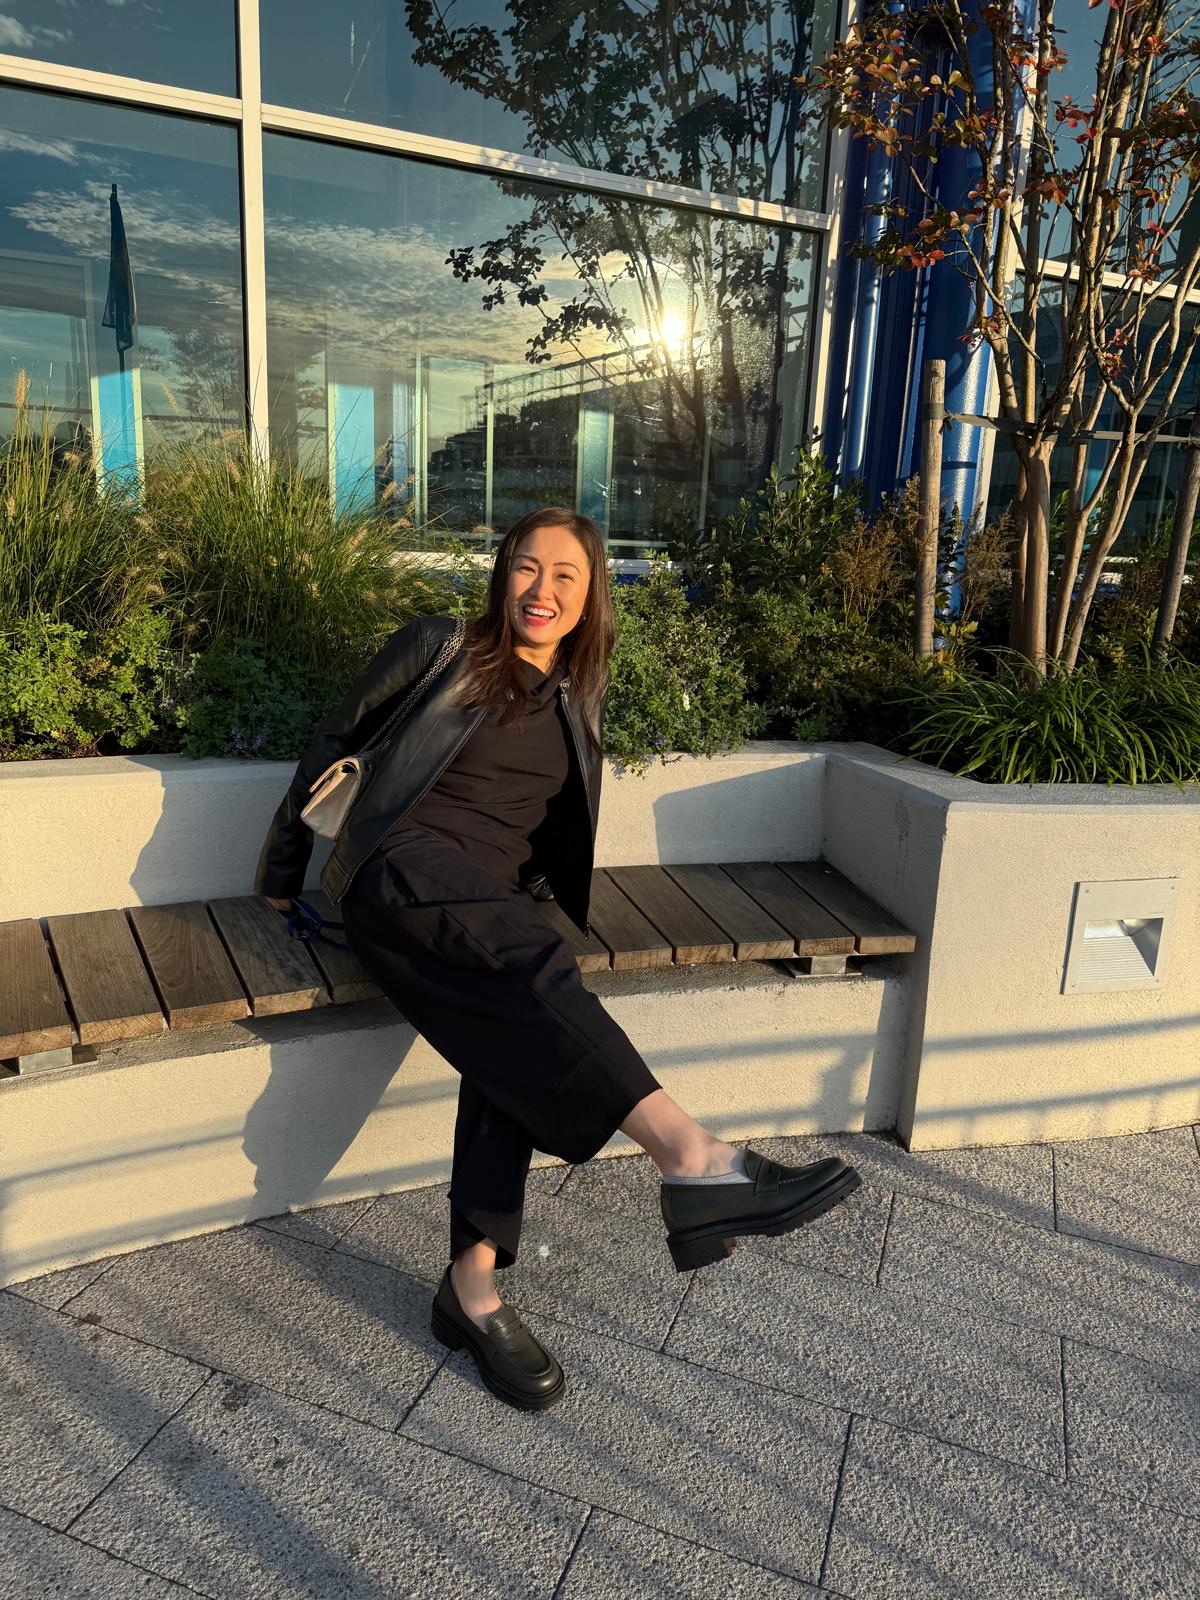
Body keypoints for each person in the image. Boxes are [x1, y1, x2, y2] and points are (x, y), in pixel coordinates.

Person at [255, 506, 860, 1413]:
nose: (542, 591)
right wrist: (280, 873)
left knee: (515, 1037)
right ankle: (694, 1161)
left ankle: (471, 1292)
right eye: (527, 569)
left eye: (565, 576)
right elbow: (333, 743)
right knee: (535, 978)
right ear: (503, 576)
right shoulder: (439, 648)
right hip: (397, 875)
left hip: (490, 909)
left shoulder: (579, 696)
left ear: (590, 597)